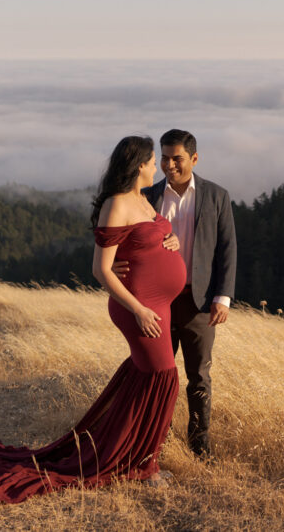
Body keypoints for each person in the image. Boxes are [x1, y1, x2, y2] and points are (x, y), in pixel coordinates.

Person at [0, 136, 186, 513]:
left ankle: (131, 456)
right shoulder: (117, 204)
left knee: (146, 379)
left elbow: (146, 241)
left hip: (158, 305)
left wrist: (172, 241)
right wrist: (137, 309)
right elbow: (101, 269)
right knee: (163, 378)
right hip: (139, 307)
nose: (158, 167)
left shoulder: (143, 199)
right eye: (153, 161)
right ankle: (143, 465)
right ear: (139, 164)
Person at [116, 128, 237, 458]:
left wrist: (222, 297)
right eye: (164, 158)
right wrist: (113, 265)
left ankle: (200, 446)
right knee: (159, 375)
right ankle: (157, 443)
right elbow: (121, 237)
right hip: (156, 303)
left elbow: (227, 248)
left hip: (199, 302)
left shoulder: (216, 196)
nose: (169, 165)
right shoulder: (147, 196)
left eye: (177, 159)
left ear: (194, 159)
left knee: (199, 376)